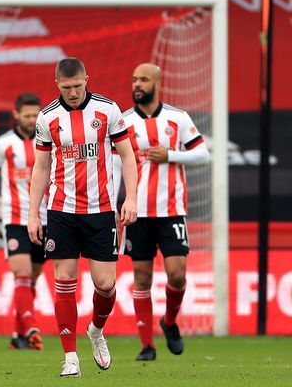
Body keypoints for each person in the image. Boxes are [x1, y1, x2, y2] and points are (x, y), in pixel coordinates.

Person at [27, 57, 138, 377]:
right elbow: (41, 167)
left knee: (105, 284)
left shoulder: (108, 110)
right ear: (57, 84)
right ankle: (70, 356)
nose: (73, 92)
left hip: (102, 210)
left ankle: (96, 331)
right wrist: (33, 214)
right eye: (67, 87)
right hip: (61, 211)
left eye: (78, 86)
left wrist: (130, 198)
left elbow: (128, 157)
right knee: (64, 281)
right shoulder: (48, 117)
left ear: (87, 79)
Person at [114, 63, 210, 361]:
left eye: (143, 79)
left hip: (171, 210)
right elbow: (116, 166)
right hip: (137, 212)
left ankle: (169, 322)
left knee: (177, 275)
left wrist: (172, 155)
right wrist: (114, 207)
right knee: (141, 278)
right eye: (134, 79)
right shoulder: (124, 121)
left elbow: (202, 154)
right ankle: (147, 345)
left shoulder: (177, 118)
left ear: (157, 82)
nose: (137, 84)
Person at [0, 92, 47, 351]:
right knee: (21, 273)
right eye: (28, 115)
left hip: (45, 218)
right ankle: (31, 327)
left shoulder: (49, 142)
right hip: (14, 218)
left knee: (31, 279)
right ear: (16, 114)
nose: (32, 120)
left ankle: (18, 335)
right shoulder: (2, 144)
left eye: (36, 115)